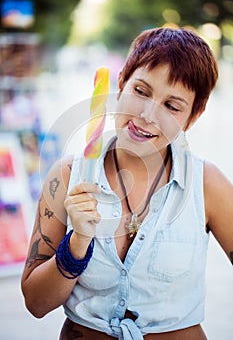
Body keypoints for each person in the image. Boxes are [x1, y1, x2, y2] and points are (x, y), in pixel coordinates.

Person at [21, 27, 233, 340]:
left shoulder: (205, 183)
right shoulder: (67, 176)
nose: (148, 115)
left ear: (193, 116)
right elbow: (36, 304)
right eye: (141, 91)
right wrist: (77, 242)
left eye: (172, 106)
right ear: (121, 85)